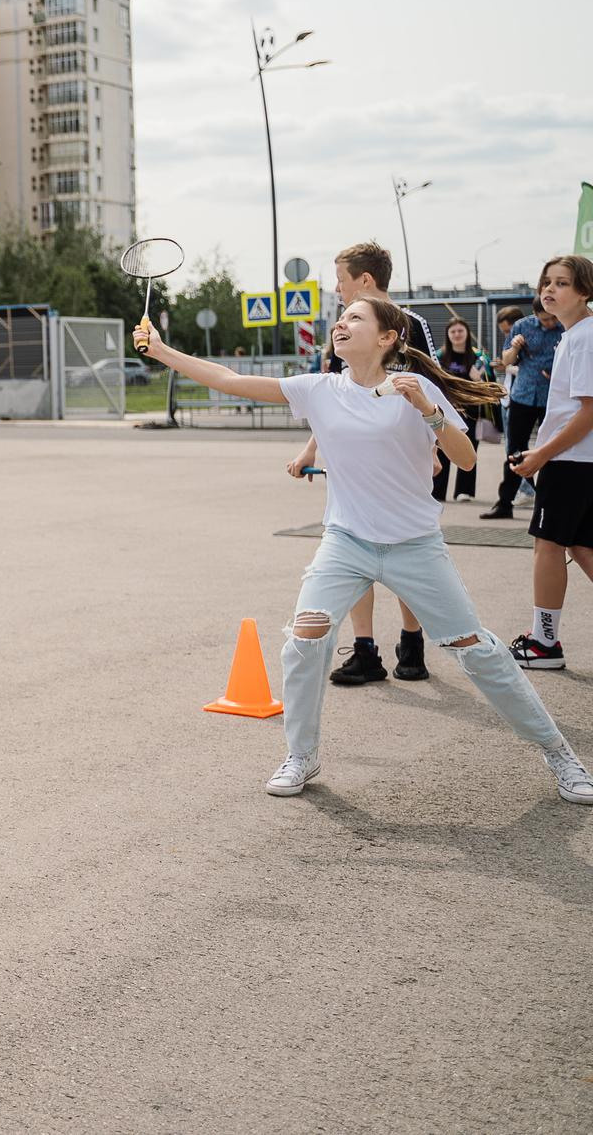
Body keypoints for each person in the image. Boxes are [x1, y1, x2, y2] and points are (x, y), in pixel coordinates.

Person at [134, 301, 591, 807]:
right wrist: (160, 350)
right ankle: (301, 754)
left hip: (414, 546)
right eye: (340, 318)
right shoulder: (320, 388)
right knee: (304, 638)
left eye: (355, 319)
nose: (341, 325)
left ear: (387, 338)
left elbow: (464, 459)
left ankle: (557, 751)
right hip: (345, 543)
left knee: (477, 651)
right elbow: (227, 378)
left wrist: (428, 409)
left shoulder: (413, 391)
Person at [289, 243, 435, 686]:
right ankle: (366, 648)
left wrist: (433, 448)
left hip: (401, 454)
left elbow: (431, 388)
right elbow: (336, 396)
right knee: (354, 541)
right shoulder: (345, 330)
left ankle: (412, 642)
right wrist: (312, 449)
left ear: (365, 281)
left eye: (342, 279)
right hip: (352, 453)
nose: (337, 288)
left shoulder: (411, 326)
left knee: (405, 544)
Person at [505, 255, 593, 669]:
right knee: (581, 544)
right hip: (574, 458)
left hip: (571, 460)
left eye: (561, 283)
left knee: (547, 544)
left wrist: (542, 453)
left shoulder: (584, 337)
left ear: (585, 291)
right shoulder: (574, 335)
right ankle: (544, 640)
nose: (550, 290)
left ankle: (544, 644)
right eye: (547, 282)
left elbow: (589, 412)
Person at [482, 298, 563, 519]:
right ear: (536, 315)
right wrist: (516, 346)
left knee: (553, 451)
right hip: (524, 396)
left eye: (553, 318)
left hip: (554, 399)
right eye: (545, 319)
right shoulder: (522, 326)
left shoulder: (566, 325)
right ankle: (505, 503)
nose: (550, 323)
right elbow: (506, 360)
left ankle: (551, 504)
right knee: (514, 450)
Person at [430, 319, 483, 503]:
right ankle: (438, 490)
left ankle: (464, 490)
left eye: (461, 330)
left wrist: (478, 380)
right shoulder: (439, 356)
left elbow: (486, 384)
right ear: (448, 334)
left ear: (467, 333)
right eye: (453, 331)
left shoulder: (478, 356)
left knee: (468, 447)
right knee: (442, 446)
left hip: (470, 410)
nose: (457, 334)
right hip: (446, 408)